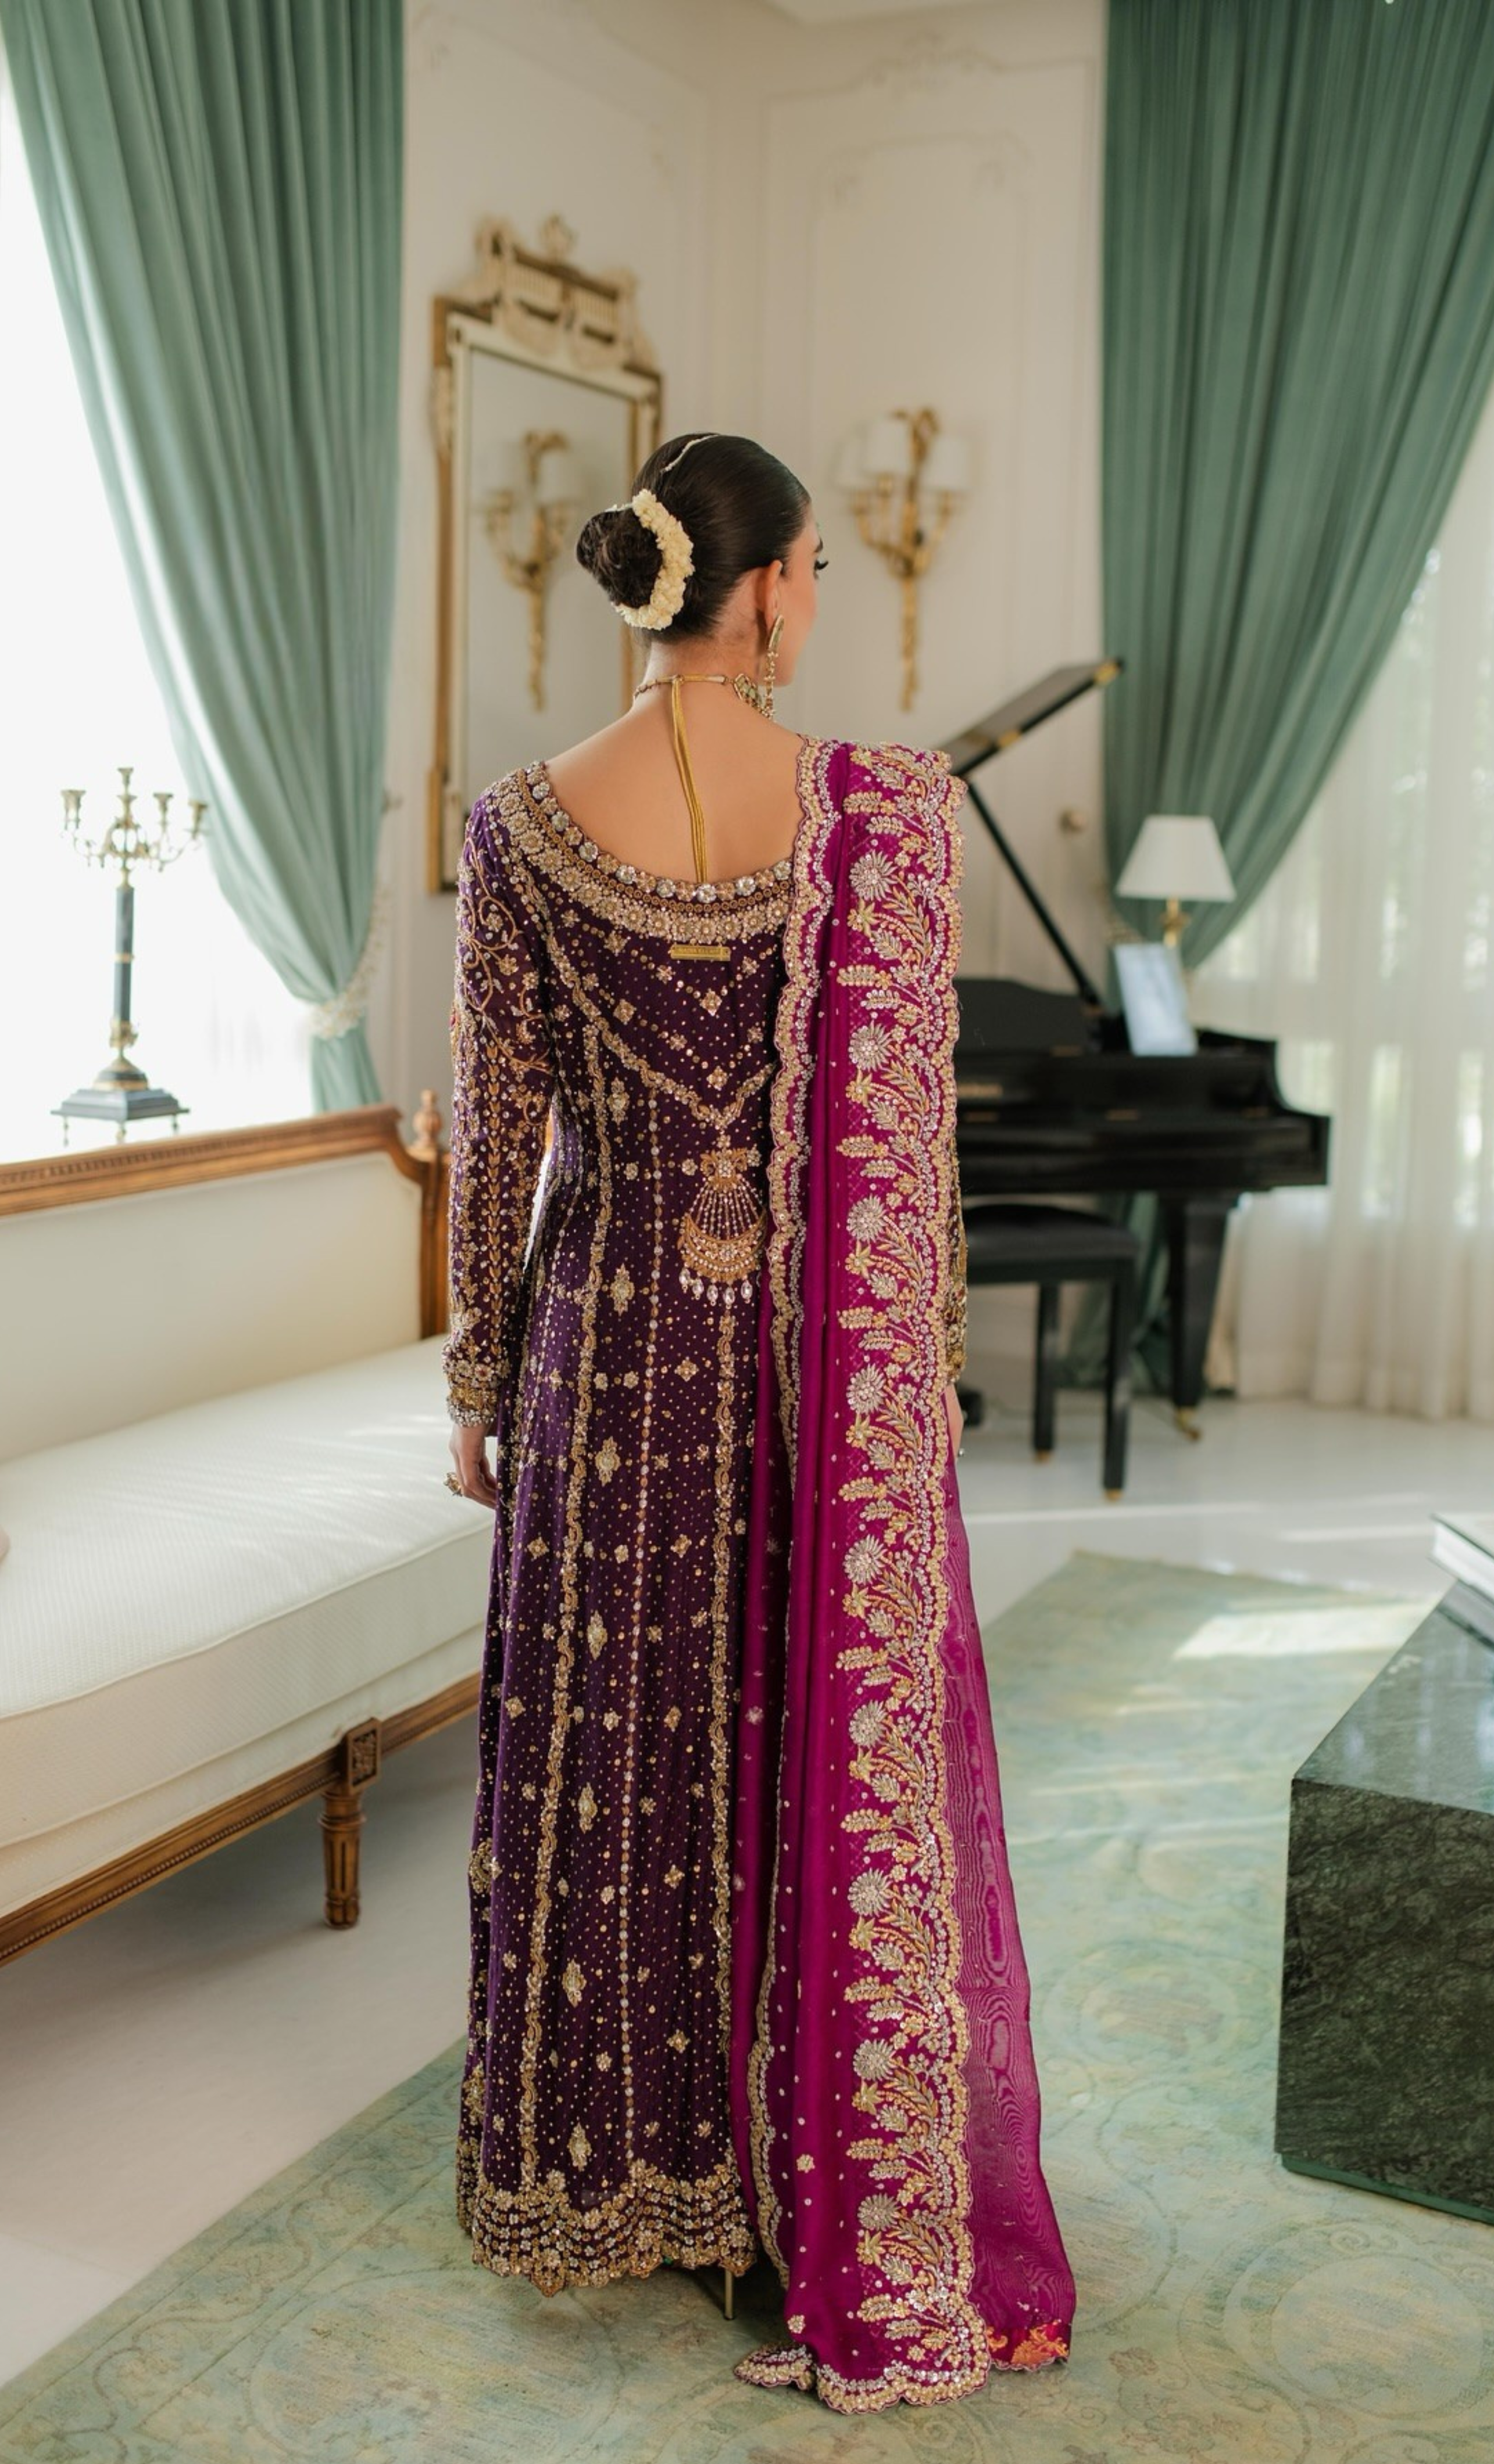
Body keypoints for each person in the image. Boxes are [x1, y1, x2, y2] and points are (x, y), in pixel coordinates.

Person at [444, 431, 1074, 2413]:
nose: (817, 602)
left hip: (610, 1348)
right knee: (781, 1736)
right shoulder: (874, 810)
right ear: (776, 587)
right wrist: (919, 1363)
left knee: (609, 1739)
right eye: (813, 574)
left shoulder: (517, 824)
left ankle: (603, 2173)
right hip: (801, 1361)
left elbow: (495, 1143)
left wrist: (481, 1373)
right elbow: (914, 1156)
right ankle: (787, 2171)